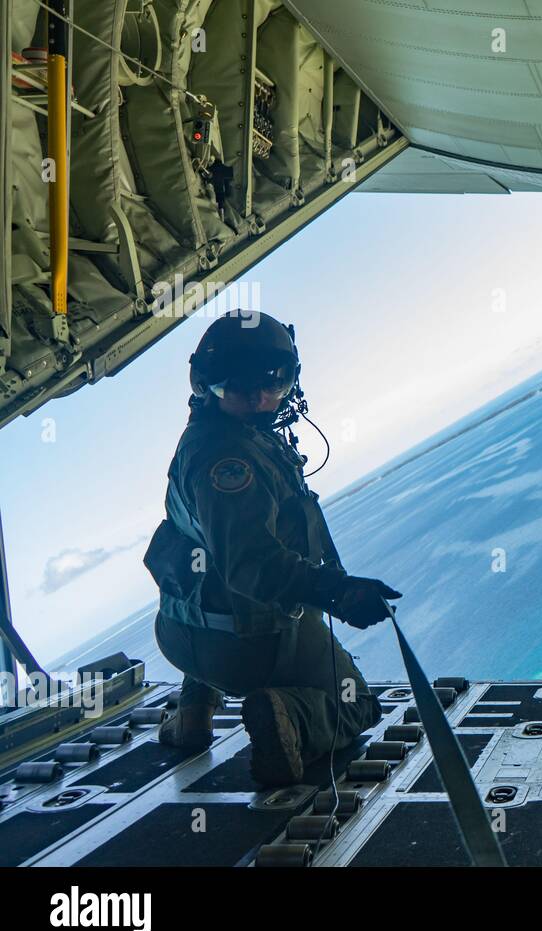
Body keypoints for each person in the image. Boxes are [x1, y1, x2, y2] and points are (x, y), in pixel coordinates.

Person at [143, 311, 401, 787]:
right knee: (357, 704)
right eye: (241, 390)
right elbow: (250, 564)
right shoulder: (229, 461)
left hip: (181, 635)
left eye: (274, 385)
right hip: (245, 647)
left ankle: (193, 717)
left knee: (211, 576)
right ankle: (288, 718)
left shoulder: (204, 435)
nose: (261, 401)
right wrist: (337, 592)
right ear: (209, 386)